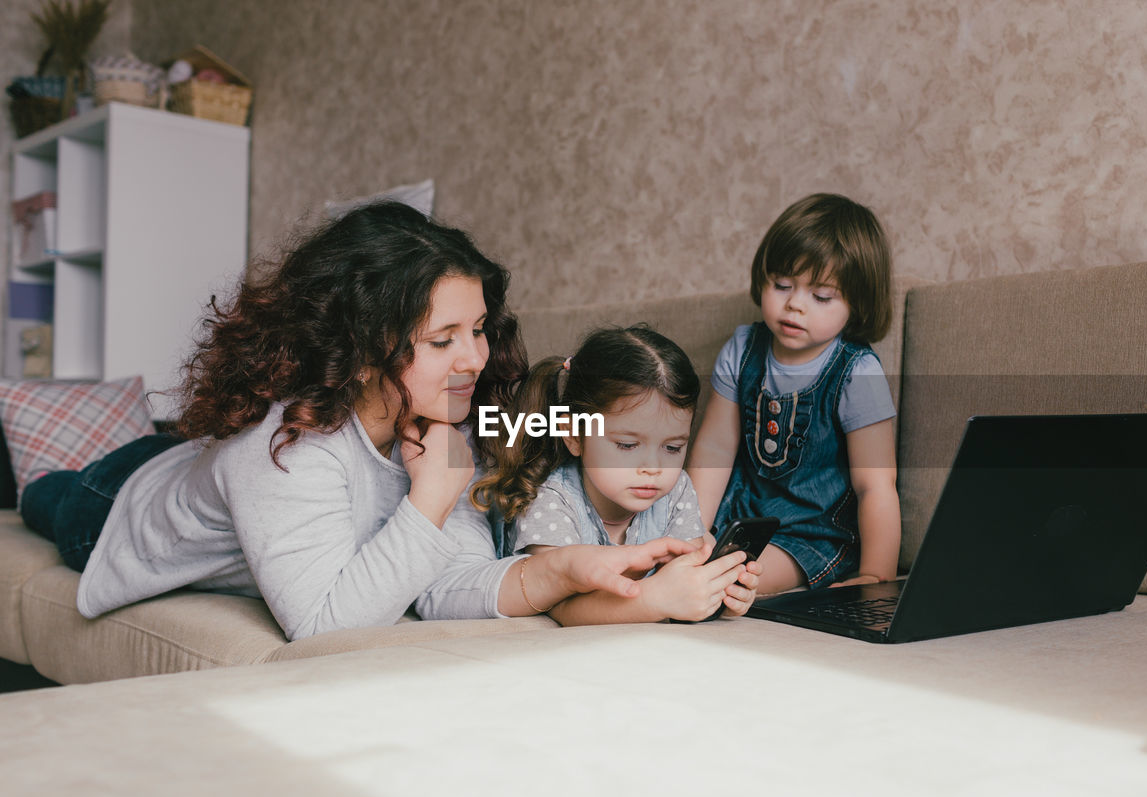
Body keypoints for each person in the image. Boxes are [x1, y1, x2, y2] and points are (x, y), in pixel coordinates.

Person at [20, 202, 695, 640]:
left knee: (188, 452)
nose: (474, 358)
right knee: (44, 494)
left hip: (204, 468)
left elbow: (442, 585)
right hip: (116, 498)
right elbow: (324, 625)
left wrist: (566, 569)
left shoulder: (446, 426)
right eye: (443, 340)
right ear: (365, 343)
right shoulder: (286, 446)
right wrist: (430, 498)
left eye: (481, 329)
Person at [469, 326, 759, 625]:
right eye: (628, 445)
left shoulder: (676, 491)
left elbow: (687, 577)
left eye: (672, 448)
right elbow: (563, 608)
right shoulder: (552, 499)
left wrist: (719, 593)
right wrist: (656, 600)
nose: (653, 467)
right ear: (574, 435)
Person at [687, 193, 901, 595]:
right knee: (678, 561)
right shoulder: (743, 348)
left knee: (728, 578)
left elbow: (875, 485)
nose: (794, 305)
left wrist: (875, 576)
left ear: (857, 305)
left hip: (812, 537)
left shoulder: (857, 371)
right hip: (738, 519)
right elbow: (714, 449)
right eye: (782, 284)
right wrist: (691, 533)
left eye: (821, 296)